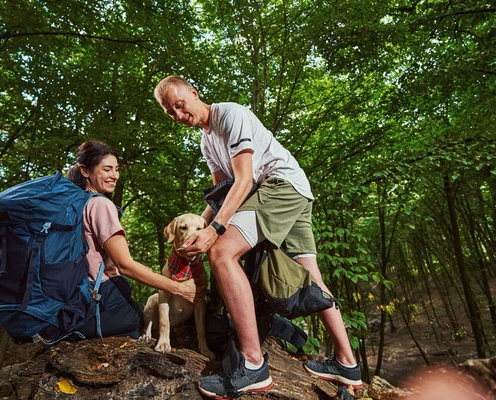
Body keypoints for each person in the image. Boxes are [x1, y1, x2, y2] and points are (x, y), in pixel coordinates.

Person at [154, 76, 362, 399]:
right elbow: (222, 197)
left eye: (180, 105)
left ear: (194, 93)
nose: (179, 115)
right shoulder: (206, 142)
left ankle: (253, 365)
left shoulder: (230, 115)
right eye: (171, 113)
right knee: (312, 277)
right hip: (297, 191)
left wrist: (214, 232)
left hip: (279, 185)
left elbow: (245, 179)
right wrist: (200, 226)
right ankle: (348, 363)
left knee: (221, 254)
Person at [67, 140, 198, 339]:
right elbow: (124, 265)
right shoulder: (101, 205)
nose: (114, 176)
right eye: (107, 169)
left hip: (73, 297)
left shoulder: (73, 204)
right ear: (85, 171)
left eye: (116, 169)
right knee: (142, 316)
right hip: (98, 297)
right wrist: (178, 287)